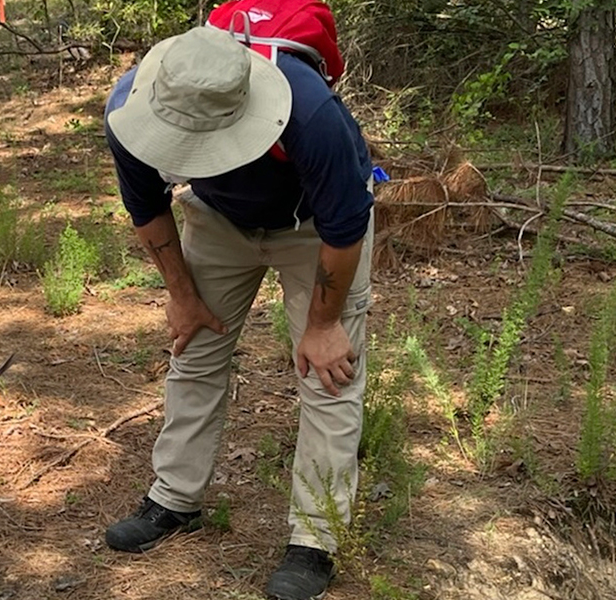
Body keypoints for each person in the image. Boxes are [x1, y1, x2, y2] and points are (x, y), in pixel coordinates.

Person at [102, 27, 373, 600]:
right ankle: (174, 498)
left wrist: (323, 326)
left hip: (313, 230)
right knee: (195, 350)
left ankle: (315, 539)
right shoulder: (127, 109)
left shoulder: (311, 114)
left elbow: (345, 228)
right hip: (219, 219)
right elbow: (147, 207)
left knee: (329, 374)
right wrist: (181, 294)